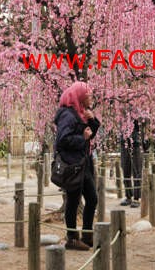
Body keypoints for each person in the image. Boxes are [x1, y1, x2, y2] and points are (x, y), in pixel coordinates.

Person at [54, 81, 101, 251]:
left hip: (83, 162)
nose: (91, 98)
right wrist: (83, 138)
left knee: (92, 198)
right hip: (73, 164)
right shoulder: (68, 115)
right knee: (73, 201)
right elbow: (62, 140)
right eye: (89, 95)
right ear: (80, 96)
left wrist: (92, 120)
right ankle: (72, 239)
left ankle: (87, 235)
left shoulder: (81, 112)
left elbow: (90, 134)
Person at [119, 117, 145, 208]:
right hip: (124, 141)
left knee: (137, 171)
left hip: (136, 142)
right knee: (125, 169)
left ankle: (137, 198)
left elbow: (143, 124)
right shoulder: (122, 110)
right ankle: (128, 196)